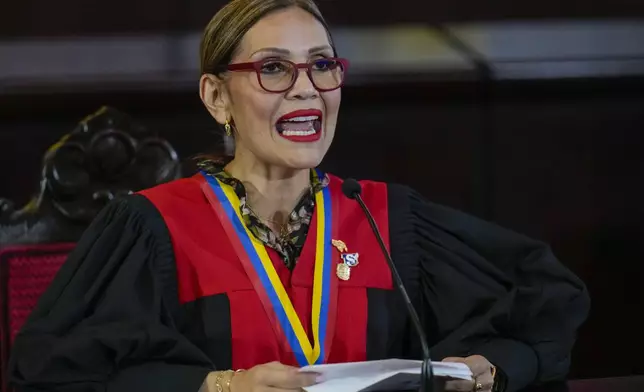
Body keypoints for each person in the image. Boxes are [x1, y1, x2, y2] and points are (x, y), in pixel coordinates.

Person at [8, 1, 590, 391]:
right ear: (216, 96)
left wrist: (488, 369)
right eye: (273, 70)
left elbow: (544, 302)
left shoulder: (386, 217)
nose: (307, 91)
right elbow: (49, 370)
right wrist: (220, 385)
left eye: (321, 66)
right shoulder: (153, 227)